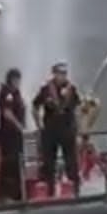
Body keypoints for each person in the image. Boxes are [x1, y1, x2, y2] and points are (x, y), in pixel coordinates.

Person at [32, 62, 82, 197]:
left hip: (67, 129)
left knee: (71, 161)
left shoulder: (72, 89)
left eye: (65, 74)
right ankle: (49, 191)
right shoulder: (46, 89)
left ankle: (75, 190)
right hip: (50, 130)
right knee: (48, 162)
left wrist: (78, 130)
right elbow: (35, 106)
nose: (63, 76)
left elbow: (77, 109)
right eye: (60, 74)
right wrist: (39, 125)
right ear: (54, 74)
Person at [0, 68, 26, 202]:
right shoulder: (7, 93)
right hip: (9, 134)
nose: (18, 82)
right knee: (9, 162)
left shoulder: (16, 93)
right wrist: (19, 126)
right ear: (12, 79)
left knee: (17, 162)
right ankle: (4, 193)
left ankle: (17, 193)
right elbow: (7, 113)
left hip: (16, 135)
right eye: (17, 79)